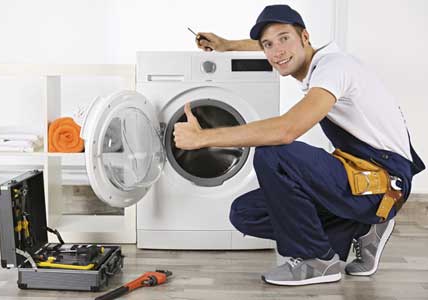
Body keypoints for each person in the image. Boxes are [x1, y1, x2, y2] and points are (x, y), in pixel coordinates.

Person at [173, 4, 425, 286]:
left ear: (305, 37)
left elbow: (286, 130)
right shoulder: (316, 61)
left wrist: (202, 138)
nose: (276, 51)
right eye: (267, 45)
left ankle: (317, 261)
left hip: (385, 181)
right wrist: (227, 45)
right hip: (359, 175)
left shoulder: (334, 69)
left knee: (274, 153)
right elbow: (279, 48)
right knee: (246, 213)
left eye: (284, 39)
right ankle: (363, 225)